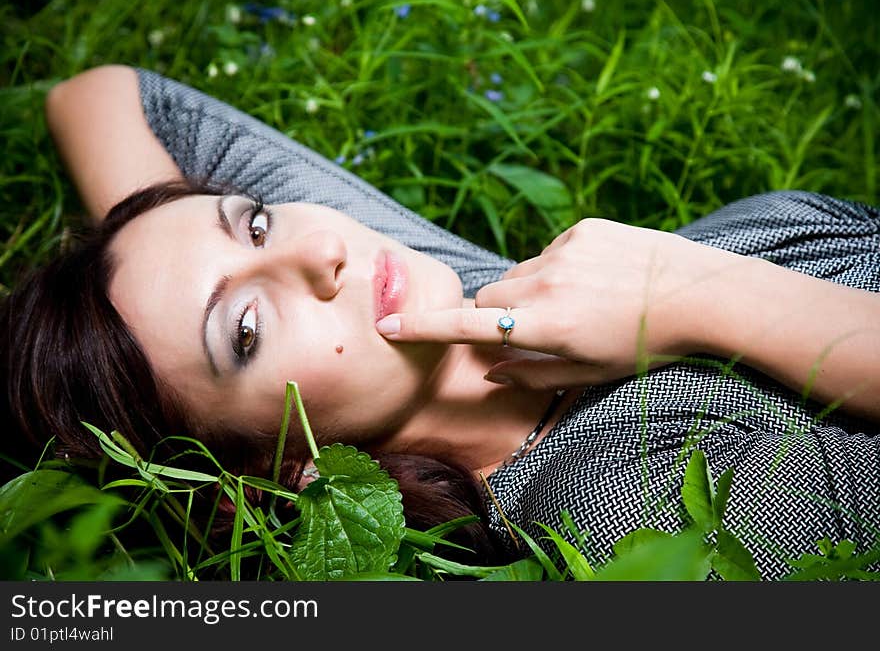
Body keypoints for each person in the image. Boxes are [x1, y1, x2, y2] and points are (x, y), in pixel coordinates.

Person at [2, 65, 878, 579]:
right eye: (245, 331)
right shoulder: (624, 503)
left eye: (254, 218)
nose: (318, 254)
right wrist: (692, 293)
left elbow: (99, 93)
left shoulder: (441, 296)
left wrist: (149, 301)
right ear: (288, 470)